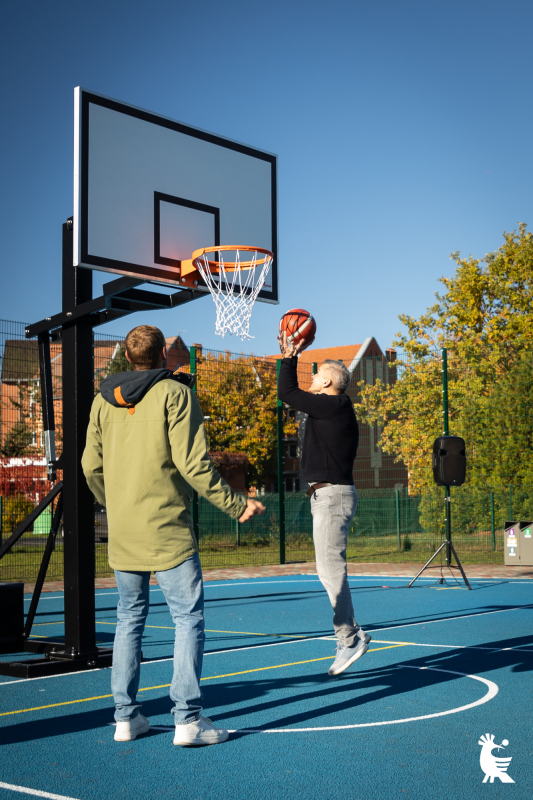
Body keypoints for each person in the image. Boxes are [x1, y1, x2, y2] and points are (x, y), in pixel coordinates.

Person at [82, 325, 265, 746]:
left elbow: (90, 466)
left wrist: (115, 504)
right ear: (164, 354)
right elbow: (194, 465)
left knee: (129, 620)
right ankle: (187, 720)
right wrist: (237, 505)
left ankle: (125, 719)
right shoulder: (176, 393)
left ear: (127, 358)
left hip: (124, 529)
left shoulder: (100, 402)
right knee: (187, 619)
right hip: (167, 528)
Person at [277, 331, 370, 676]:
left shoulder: (335, 405)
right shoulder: (328, 410)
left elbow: (288, 392)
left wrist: (290, 356)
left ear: (329, 379)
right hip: (327, 494)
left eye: (317, 375)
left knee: (331, 568)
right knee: (327, 569)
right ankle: (350, 633)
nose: (312, 379)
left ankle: (349, 638)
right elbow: (292, 398)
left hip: (332, 495)